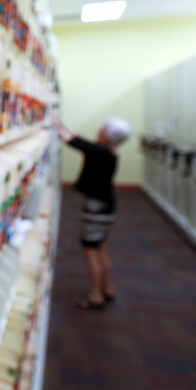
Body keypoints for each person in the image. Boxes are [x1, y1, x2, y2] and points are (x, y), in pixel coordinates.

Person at [52, 114, 131, 310]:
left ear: (109, 136)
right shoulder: (111, 152)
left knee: (90, 248)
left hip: (96, 207)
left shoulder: (99, 152)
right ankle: (107, 287)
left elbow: (74, 141)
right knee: (100, 246)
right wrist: (59, 123)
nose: (99, 131)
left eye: (103, 130)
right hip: (108, 204)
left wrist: (54, 124)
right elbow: (77, 139)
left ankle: (96, 295)